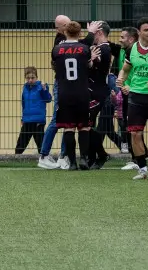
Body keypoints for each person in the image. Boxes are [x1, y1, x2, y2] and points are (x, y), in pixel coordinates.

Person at [117, 18, 148, 180]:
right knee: (135, 134)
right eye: (146, 30)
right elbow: (126, 68)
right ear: (139, 32)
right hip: (136, 98)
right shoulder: (132, 49)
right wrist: (121, 78)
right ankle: (143, 169)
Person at [50, 21, 91, 170]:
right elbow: (89, 66)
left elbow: (54, 66)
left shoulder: (56, 49)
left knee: (68, 128)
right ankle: (84, 159)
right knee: (84, 127)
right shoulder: (85, 49)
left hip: (64, 92)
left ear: (65, 32)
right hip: (82, 92)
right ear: (80, 33)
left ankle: (72, 162)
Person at [82, 22, 114, 170]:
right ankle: (93, 156)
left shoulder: (104, 49)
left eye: (93, 32)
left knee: (86, 125)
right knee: (87, 125)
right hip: (91, 91)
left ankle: (100, 155)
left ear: (99, 32)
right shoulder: (98, 48)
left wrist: (90, 59)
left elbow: (95, 67)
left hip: (97, 93)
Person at [16, 66, 51, 155]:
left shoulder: (42, 86)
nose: (30, 80)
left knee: (41, 144)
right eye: (28, 78)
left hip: (38, 121)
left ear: (36, 77)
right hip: (27, 120)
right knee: (21, 143)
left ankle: (44, 159)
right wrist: (23, 118)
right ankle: (16, 159)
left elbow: (48, 99)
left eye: (32, 78)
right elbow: (24, 104)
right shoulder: (25, 88)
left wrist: (44, 90)